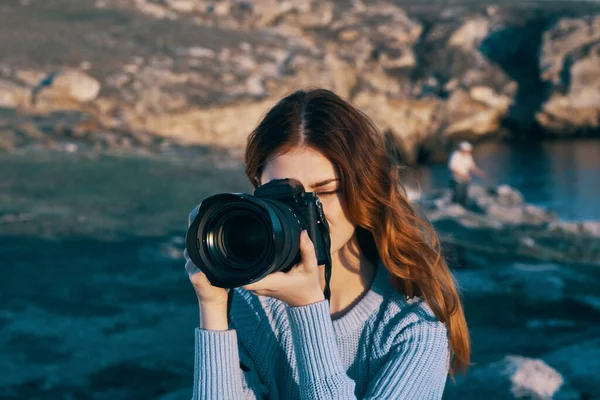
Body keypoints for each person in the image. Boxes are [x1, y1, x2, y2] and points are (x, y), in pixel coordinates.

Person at [185, 89, 470, 399]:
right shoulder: (251, 304)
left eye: (325, 191)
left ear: (364, 191)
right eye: (283, 194)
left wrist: (307, 308)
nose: (304, 213)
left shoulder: (412, 325)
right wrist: (212, 307)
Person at [448, 141, 486, 207]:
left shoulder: (468, 156)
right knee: (457, 197)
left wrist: (479, 173)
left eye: (469, 150)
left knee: (464, 197)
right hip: (456, 180)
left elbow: (472, 167)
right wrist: (463, 175)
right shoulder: (455, 155)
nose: (468, 152)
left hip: (465, 180)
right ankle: (453, 210)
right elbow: (452, 168)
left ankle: (463, 211)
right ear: (462, 149)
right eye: (467, 150)